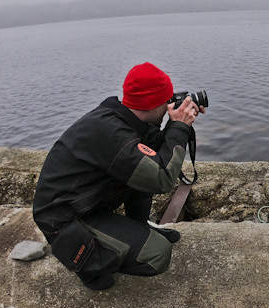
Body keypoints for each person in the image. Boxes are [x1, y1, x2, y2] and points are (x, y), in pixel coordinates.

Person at [33, 62, 206, 290]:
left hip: (88, 201)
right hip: (64, 216)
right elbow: (162, 177)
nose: (169, 105)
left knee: (143, 170)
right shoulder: (111, 132)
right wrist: (179, 127)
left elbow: (153, 159)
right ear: (152, 104)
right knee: (157, 254)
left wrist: (174, 126)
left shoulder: (127, 119)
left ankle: (138, 228)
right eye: (167, 101)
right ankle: (90, 263)